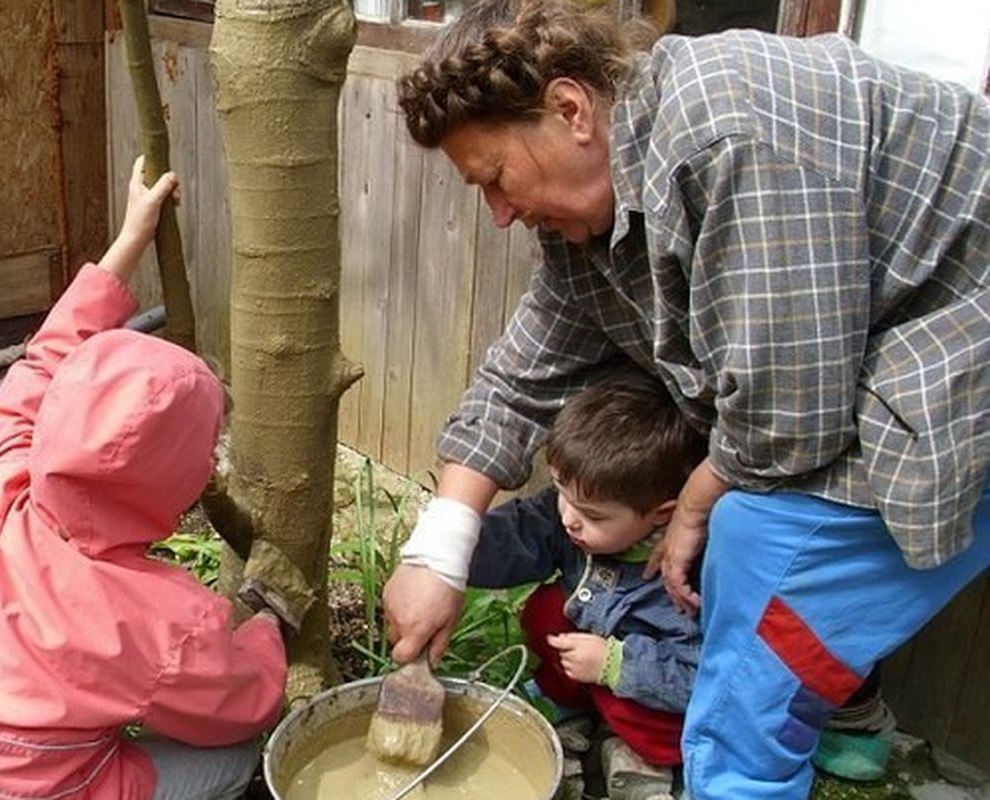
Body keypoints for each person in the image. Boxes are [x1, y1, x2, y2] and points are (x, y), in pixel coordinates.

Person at [382, 1, 990, 797]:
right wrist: (440, 552)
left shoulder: (725, 135)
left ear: (570, 110)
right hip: (854, 380)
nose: (498, 214)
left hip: (954, 356)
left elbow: (790, 420)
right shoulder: (598, 210)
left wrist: (699, 500)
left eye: (496, 178)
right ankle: (823, 696)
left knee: (748, 663)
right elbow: (520, 376)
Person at [0, 156, 310, 800]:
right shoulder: (157, 621)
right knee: (232, 756)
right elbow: (244, 702)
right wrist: (265, 626)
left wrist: (130, 238)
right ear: (177, 483)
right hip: (16, 793)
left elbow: (43, 360)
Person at [468, 364, 705, 799]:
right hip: (583, 664)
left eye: (593, 515)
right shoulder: (575, 513)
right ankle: (570, 712)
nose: (568, 519)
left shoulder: (684, 583)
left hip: (643, 692)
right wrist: (451, 551)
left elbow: (698, 678)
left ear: (663, 514)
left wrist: (617, 666)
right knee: (546, 610)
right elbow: (523, 532)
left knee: (660, 724)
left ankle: (638, 757)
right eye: (561, 493)